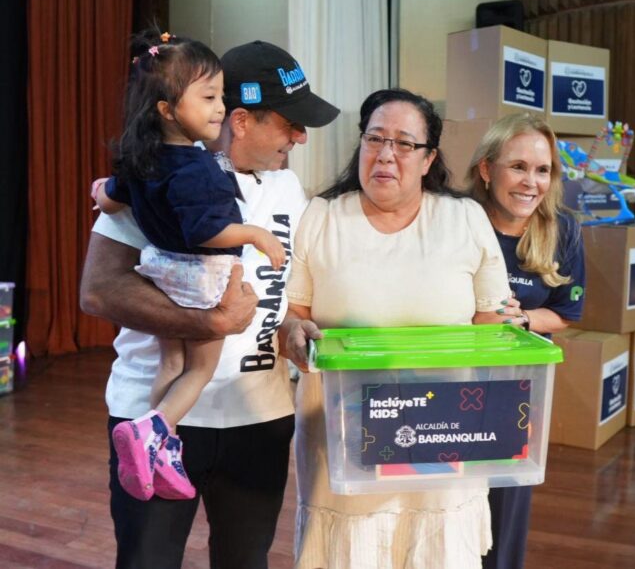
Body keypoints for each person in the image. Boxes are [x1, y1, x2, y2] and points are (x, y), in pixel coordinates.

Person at [80, 39, 339, 568]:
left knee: (246, 560)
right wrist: (211, 320)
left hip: (258, 417)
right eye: (289, 123)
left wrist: (289, 324)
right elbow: (99, 289)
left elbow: (281, 290)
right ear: (240, 120)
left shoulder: (289, 187)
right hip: (156, 416)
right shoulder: (161, 172)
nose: (301, 136)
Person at [279, 88, 516, 569]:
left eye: (405, 144)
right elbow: (292, 315)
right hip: (344, 443)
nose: (387, 154)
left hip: (443, 437)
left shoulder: (464, 219)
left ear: (428, 159)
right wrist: (293, 335)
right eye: (375, 139)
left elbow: (491, 328)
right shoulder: (321, 218)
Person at [90, 30, 288, 503]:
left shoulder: (139, 159)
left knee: (172, 360)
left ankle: (154, 442)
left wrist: (100, 191)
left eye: (220, 96)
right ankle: (154, 431)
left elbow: (110, 199)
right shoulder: (197, 167)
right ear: (166, 108)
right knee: (198, 368)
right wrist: (255, 234)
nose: (219, 108)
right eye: (209, 98)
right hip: (201, 278)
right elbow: (206, 232)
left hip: (161, 272)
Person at [467, 112, 586, 569]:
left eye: (542, 170)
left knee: (504, 515)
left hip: (514, 395)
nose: (531, 182)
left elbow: (566, 313)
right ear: (486, 168)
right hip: (447, 381)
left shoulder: (564, 230)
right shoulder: (458, 218)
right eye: (518, 166)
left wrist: (521, 320)